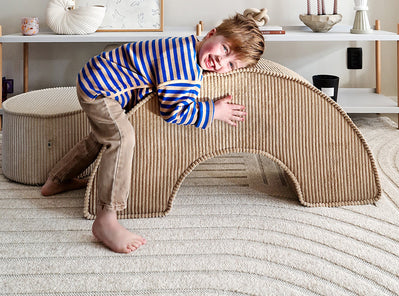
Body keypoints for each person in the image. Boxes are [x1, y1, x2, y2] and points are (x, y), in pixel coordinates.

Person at [41, 13, 265, 254]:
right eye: (224, 48)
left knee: (100, 137)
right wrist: (213, 110)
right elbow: (174, 111)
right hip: (101, 88)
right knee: (122, 138)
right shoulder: (183, 64)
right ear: (211, 34)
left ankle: (57, 180)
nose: (221, 61)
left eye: (231, 64)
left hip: (97, 77)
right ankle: (106, 217)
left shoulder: (187, 48)